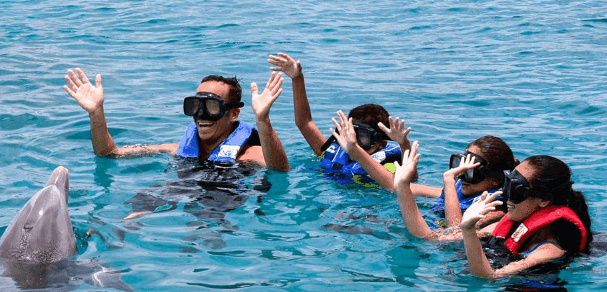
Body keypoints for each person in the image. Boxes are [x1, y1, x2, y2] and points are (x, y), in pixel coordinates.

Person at [64, 67, 290, 172]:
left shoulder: (249, 155)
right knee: (138, 207)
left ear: (233, 114)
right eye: (195, 106)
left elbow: (280, 170)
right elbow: (109, 153)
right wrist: (96, 113)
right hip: (179, 195)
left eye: (211, 107)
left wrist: (263, 120)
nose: (201, 115)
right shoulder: (174, 149)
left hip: (220, 207)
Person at [267, 52, 414, 186]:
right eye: (349, 133)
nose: (353, 142)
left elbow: (408, 184)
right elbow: (304, 123)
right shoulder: (335, 152)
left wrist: (404, 144)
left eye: (361, 138)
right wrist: (297, 78)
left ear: (381, 143)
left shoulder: (388, 166)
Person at [460, 154, 592, 279]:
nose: (507, 196)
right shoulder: (513, 224)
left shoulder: (549, 250)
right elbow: (451, 237)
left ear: (544, 200)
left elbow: (489, 277)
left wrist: (468, 229)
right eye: (507, 184)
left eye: (516, 190)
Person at [386, 135, 516, 240]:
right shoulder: (462, 190)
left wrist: (449, 180)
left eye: (471, 171)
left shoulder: (493, 210)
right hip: (422, 232)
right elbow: (397, 186)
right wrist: (402, 181)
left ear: (495, 181)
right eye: (461, 166)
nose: (462, 176)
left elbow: (454, 232)